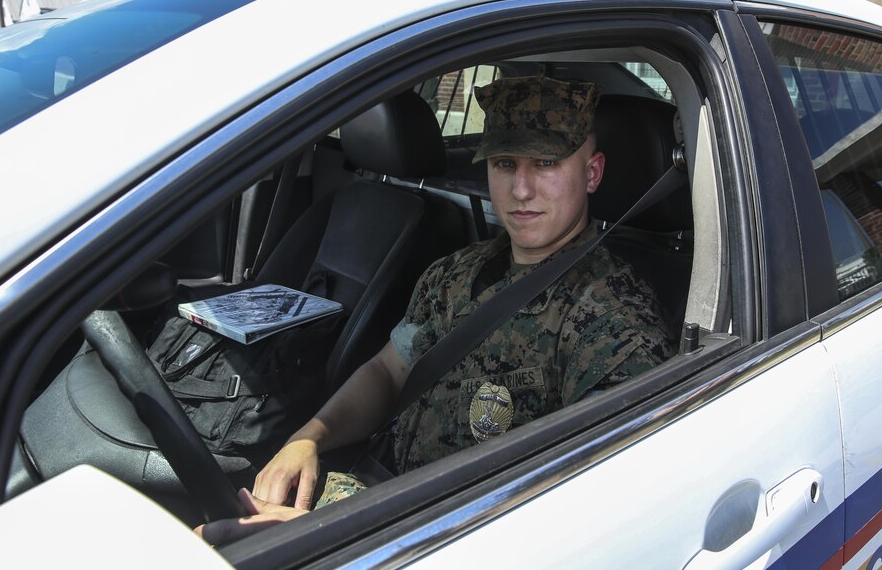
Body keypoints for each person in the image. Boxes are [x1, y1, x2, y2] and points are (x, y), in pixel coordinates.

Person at [197, 76, 674, 543]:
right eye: (506, 163)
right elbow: (388, 371)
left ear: (591, 173)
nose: (522, 189)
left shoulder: (612, 314)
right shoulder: (456, 271)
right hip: (374, 495)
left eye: (546, 163)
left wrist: (340, 537)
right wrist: (308, 440)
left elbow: (592, 505)